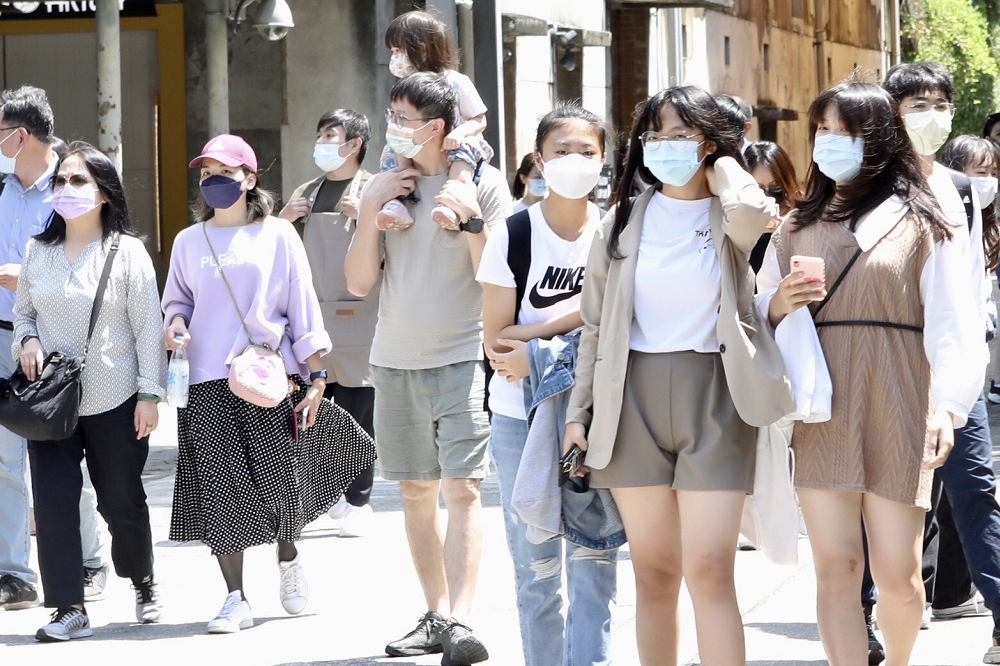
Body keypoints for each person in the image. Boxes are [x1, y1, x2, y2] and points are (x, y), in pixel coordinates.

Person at [758, 78, 981, 666]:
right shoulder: (794, 225)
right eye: (823, 130)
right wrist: (779, 301)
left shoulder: (924, 216)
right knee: (836, 566)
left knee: (900, 572)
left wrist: (947, 407)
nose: (831, 142)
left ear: (879, 139)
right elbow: (756, 316)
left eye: (847, 131)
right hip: (821, 399)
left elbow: (956, 321)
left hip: (901, 391)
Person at [563, 85, 788, 665]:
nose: (663, 147)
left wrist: (724, 167)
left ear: (711, 145)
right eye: (655, 136)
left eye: (681, 136)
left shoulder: (730, 214)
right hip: (629, 398)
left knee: (711, 570)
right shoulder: (620, 221)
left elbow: (755, 212)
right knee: (655, 574)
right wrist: (577, 416)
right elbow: (593, 327)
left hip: (714, 394)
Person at [162, 134, 375, 634]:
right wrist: (174, 324)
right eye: (205, 172)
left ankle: (288, 556)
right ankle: (234, 597)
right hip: (207, 381)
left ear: (250, 179)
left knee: (282, 483)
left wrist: (318, 374)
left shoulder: (278, 234)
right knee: (221, 492)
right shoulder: (189, 241)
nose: (212, 181)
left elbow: (302, 305)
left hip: (268, 378)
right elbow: (176, 300)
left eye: (224, 172)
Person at [345, 72, 511, 665]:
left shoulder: (484, 185)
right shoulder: (389, 184)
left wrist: (467, 220)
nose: (393, 130)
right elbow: (359, 281)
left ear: (437, 126)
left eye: (404, 120)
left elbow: (498, 273)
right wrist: (369, 211)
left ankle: (462, 622)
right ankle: (436, 612)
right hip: (394, 358)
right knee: (415, 490)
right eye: (390, 117)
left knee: (463, 489)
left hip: (463, 355)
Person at [478, 103, 617, 666]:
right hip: (521, 418)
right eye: (562, 150)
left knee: (595, 563)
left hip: (598, 416)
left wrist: (542, 334)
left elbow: (623, 323)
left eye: (587, 151)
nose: (575, 160)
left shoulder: (616, 232)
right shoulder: (513, 231)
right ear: (539, 159)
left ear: (605, 160)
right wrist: (584, 314)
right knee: (536, 569)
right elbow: (497, 341)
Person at [15, 141, 165, 641]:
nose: (65, 189)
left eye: (78, 181)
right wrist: (28, 340)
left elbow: (148, 327)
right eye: (60, 180)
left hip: (115, 396)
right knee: (54, 502)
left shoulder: (128, 252)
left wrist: (149, 394)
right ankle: (68, 606)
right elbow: (24, 314)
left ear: (104, 193)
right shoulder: (39, 250)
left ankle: (141, 578)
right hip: (52, 400)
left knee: (120, 501)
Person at [0, 87, 106, 613]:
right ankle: (15, 574)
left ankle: (88, 560)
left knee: (64, 453)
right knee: (4, 461)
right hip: (2, 334)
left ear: (20, 136)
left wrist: (31, 279)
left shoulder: (71, 187)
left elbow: (99, 257)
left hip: (60, 342)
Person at [280, 108, 377, 538]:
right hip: (314, 314)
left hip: (361, 316)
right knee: (315, 408)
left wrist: (370, 218)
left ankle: (360, 498)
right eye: (320, 133)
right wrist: (283, 221)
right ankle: (328, 491)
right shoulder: (307, 190)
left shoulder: (374, 189)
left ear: (354, 143)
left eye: (330, 134)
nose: (321, 142)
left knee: (358, 410)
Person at [375, 10, 494, 231]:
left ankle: (453, 200)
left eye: (398, 50)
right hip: (417, 145)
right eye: (392, 51)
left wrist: (459, 133)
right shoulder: (406, 86)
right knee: (391, 151)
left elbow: (479, 119)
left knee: (464, 151)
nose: (394, 57)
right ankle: (398, 202)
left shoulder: (455, 81)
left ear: (421, 48)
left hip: (455, 145)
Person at [744, 141, 802, 273]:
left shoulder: (801, 215)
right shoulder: (737, 220)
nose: (768, 194)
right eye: (759, 188)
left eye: (775, 185)